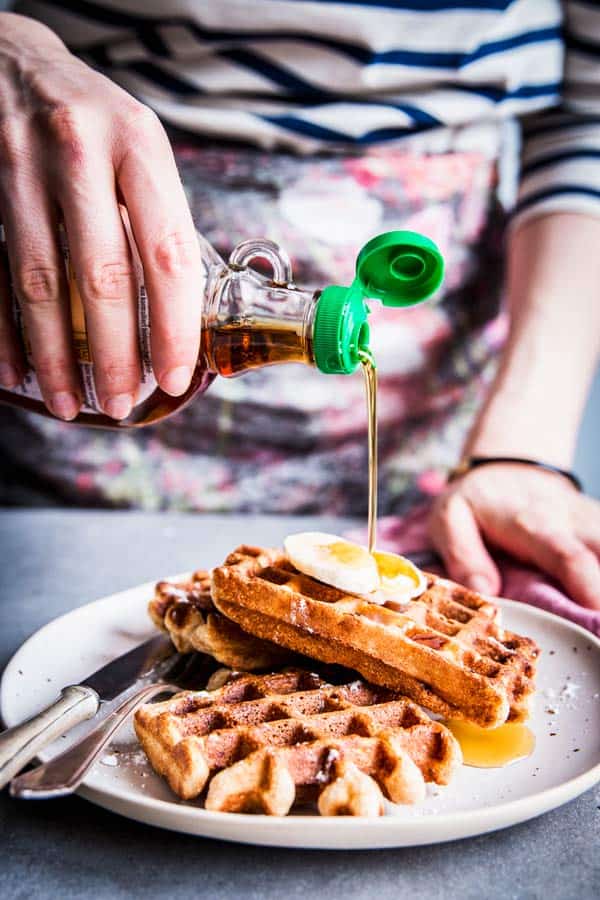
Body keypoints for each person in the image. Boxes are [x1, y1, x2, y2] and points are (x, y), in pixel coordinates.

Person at [0, 2, 599, 612]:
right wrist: (12, 46)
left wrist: (517, 451)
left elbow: (590, 113)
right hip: (80, 280)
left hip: (433, 425)